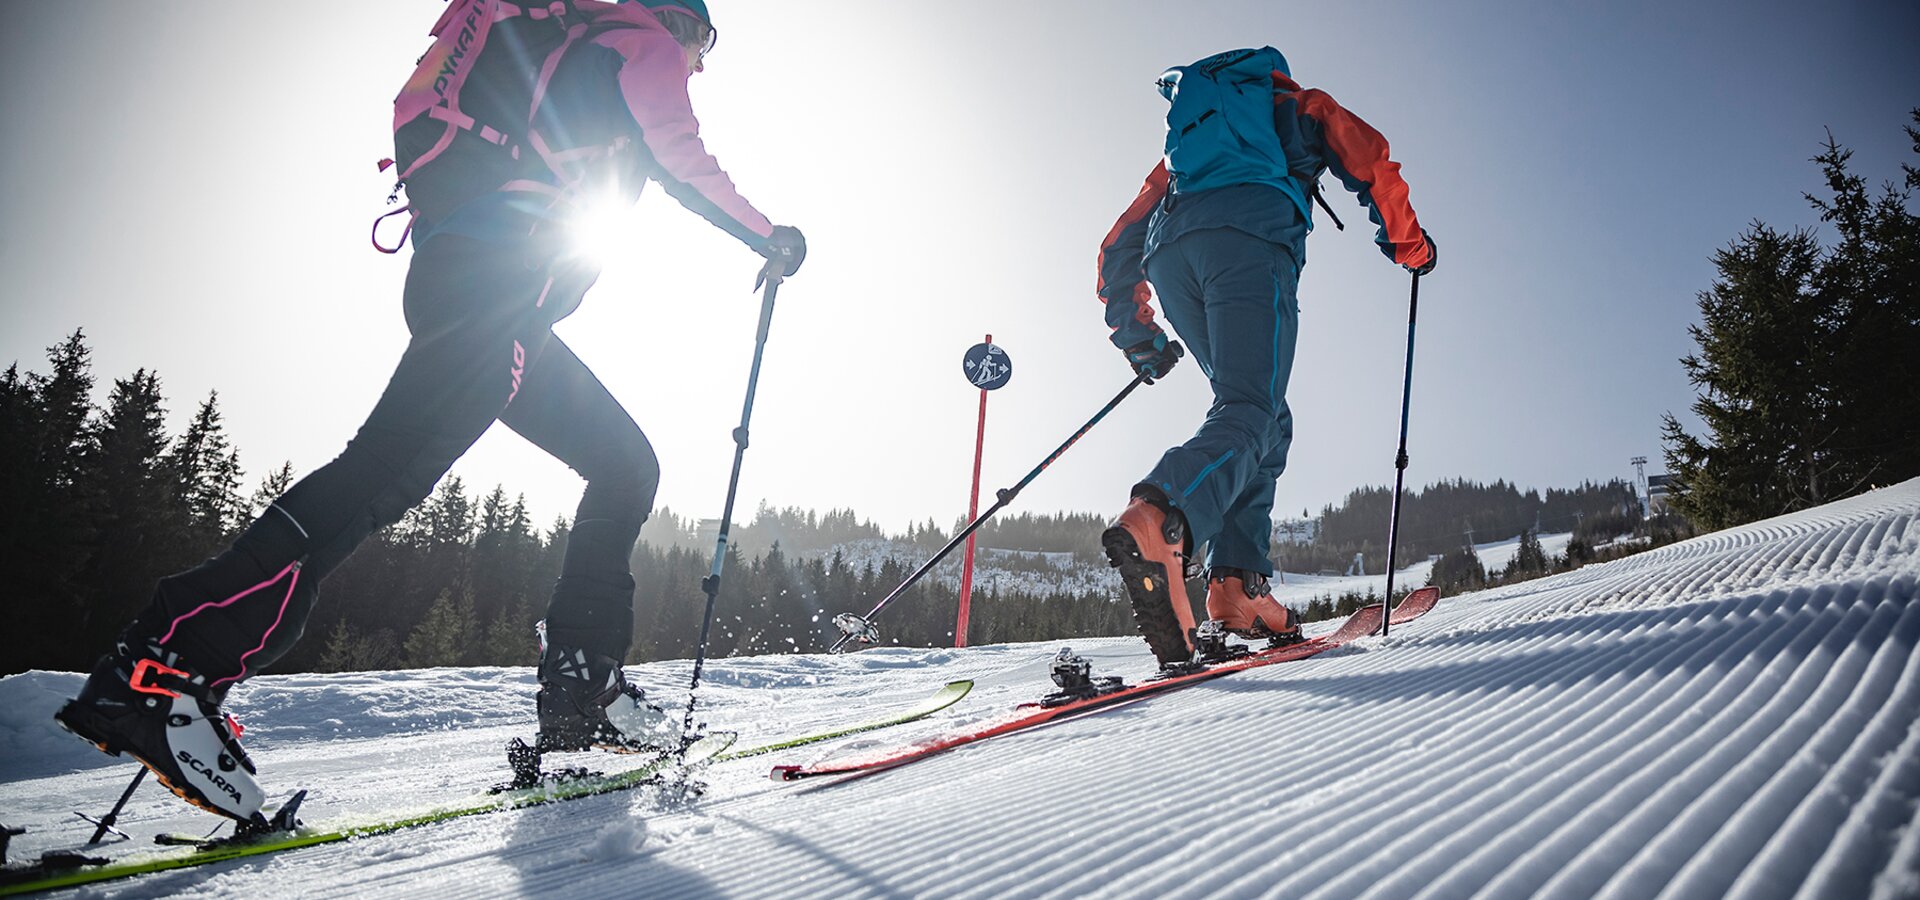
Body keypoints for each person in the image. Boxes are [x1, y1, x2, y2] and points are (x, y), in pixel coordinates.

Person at [54, 0, 804, 826]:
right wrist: (771, 236)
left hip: (481, 289)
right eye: (704, 38)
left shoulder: (567, 38)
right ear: (678, 21)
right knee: (379, 475)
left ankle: (582, 685)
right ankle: (165, 671)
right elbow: (682, 156)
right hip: (498, 293)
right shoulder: (640, 42)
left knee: (624, 462)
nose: (699, 60)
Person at [1095, 46, 1434, 668]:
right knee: (1251, 408)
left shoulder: (1186, 151)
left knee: (1265, 419)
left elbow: (1118, 243)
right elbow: (1370, 160)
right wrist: (1410, 245)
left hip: (1173, 259)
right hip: (1250, 245)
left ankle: (1237, 587)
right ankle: (1165, 518)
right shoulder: (1294, 106)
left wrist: (1138, 335)